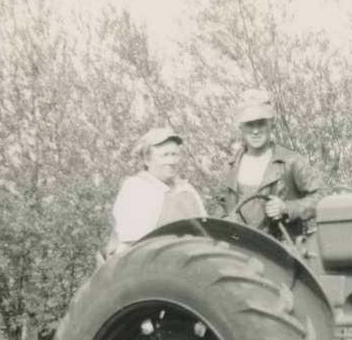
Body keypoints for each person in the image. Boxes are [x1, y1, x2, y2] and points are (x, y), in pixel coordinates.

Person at [214, 89, 324, 239]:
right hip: (241, 252)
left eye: (261, 123)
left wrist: (287, 208)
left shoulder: (291, 162)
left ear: (272, 124)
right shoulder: (230, 167)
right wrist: (224, 221)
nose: (255, 131)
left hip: (282, 253)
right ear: (241, 127)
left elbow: (323, 197)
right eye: (249, 124)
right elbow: (220, 206)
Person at [108, 127, 206, 255]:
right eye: (164, 155)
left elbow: (205, 233)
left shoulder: (187, 189)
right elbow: (128, 245)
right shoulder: (136, 189)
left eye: (174, 155)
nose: (171, 161)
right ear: (147, 160)